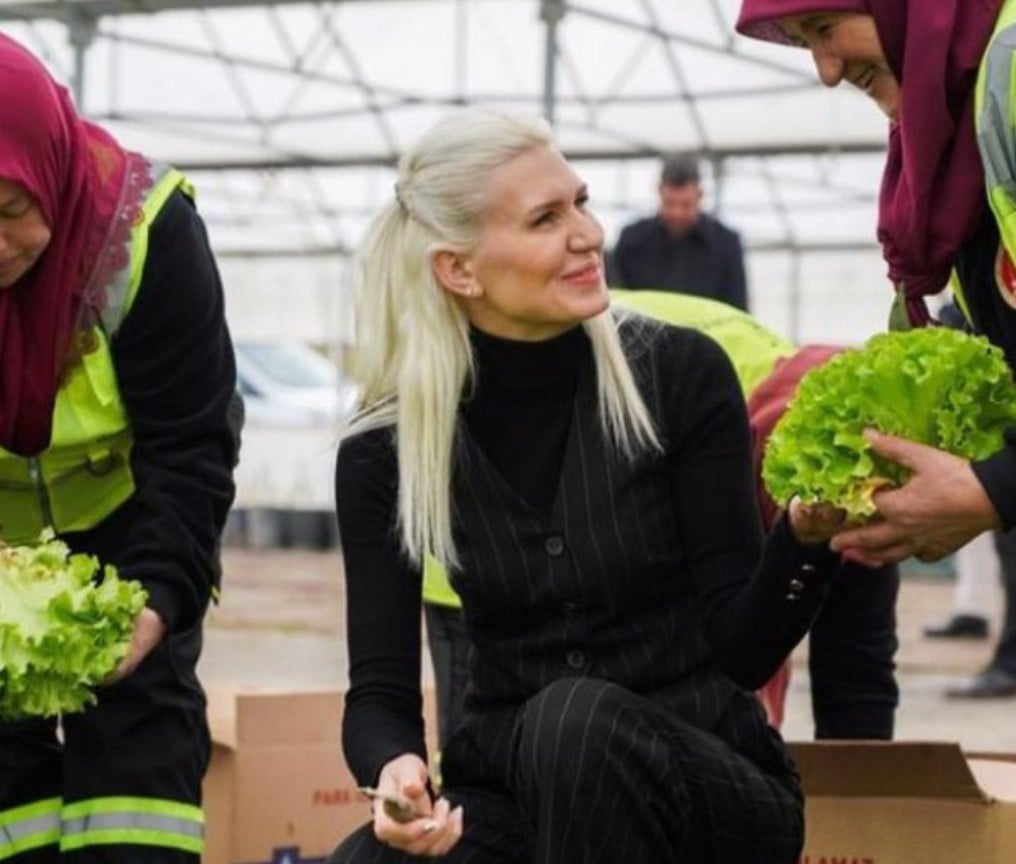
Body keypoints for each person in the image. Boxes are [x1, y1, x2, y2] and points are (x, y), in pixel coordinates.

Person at [332, 108, 845, 864]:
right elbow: (379, 693)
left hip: (709, 787)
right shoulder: (386, 447)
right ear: (459, 269)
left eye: (582, 201)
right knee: (367, 861)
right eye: (546, 218)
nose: (590, 234)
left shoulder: (679, 374)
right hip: (513, 793)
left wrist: (803, 537)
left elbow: (743, 649)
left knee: (573, 725)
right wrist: (395, 774)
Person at [422, 290, 899, 745]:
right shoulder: (709, 411)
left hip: (604, 539)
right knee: (494, 756)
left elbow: (855, 664)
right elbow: (733, 644)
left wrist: (863, 809)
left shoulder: (861, 459)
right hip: (482, 547)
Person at [0, 34, 239, 864]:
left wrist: (158, 599)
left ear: (52, 178)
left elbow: (193, 440)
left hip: (132, 525)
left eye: (9, 209)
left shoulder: (144, 233)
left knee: (143, 738)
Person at [734, 1, 1016, 570]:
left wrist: (993, 486)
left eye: (824, 29)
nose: (826, 70)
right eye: (805, 41)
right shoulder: (960, 125)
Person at [607, 154, 750, 310]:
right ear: (659, 191)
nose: (677, 213)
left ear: (700, 195)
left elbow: (738, 309)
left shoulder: (726, 244)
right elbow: (617, 302)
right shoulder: (632, 240)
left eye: (686, 204)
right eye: (670, 203)